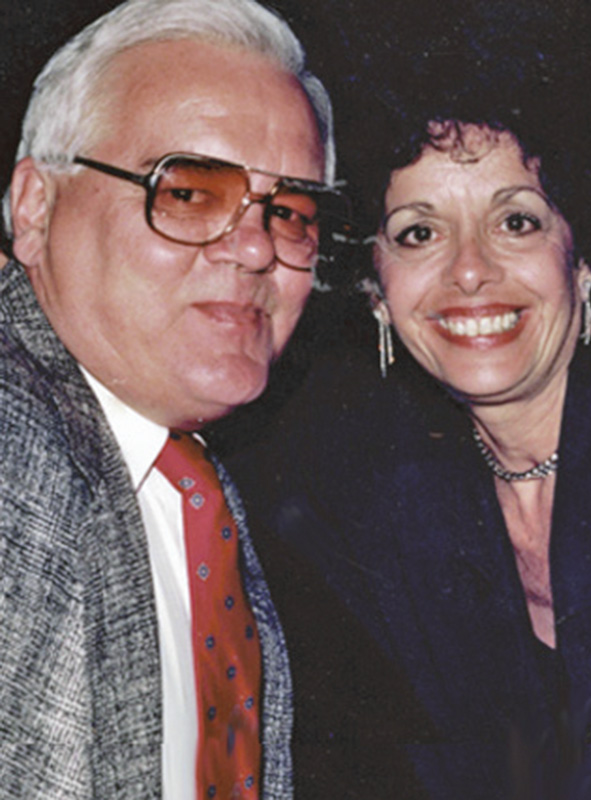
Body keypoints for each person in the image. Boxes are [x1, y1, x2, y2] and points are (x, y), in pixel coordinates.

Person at [220, 11, 591, 799]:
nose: (469, 270)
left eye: (516, 221)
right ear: (377, 293)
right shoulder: (373, 503)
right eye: (420, 233)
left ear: (582, 263)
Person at [0, 0, 346, 797]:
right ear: (35, 207)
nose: (256, 247)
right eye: (188, 192)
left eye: (290, 211)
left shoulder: (194, 484)